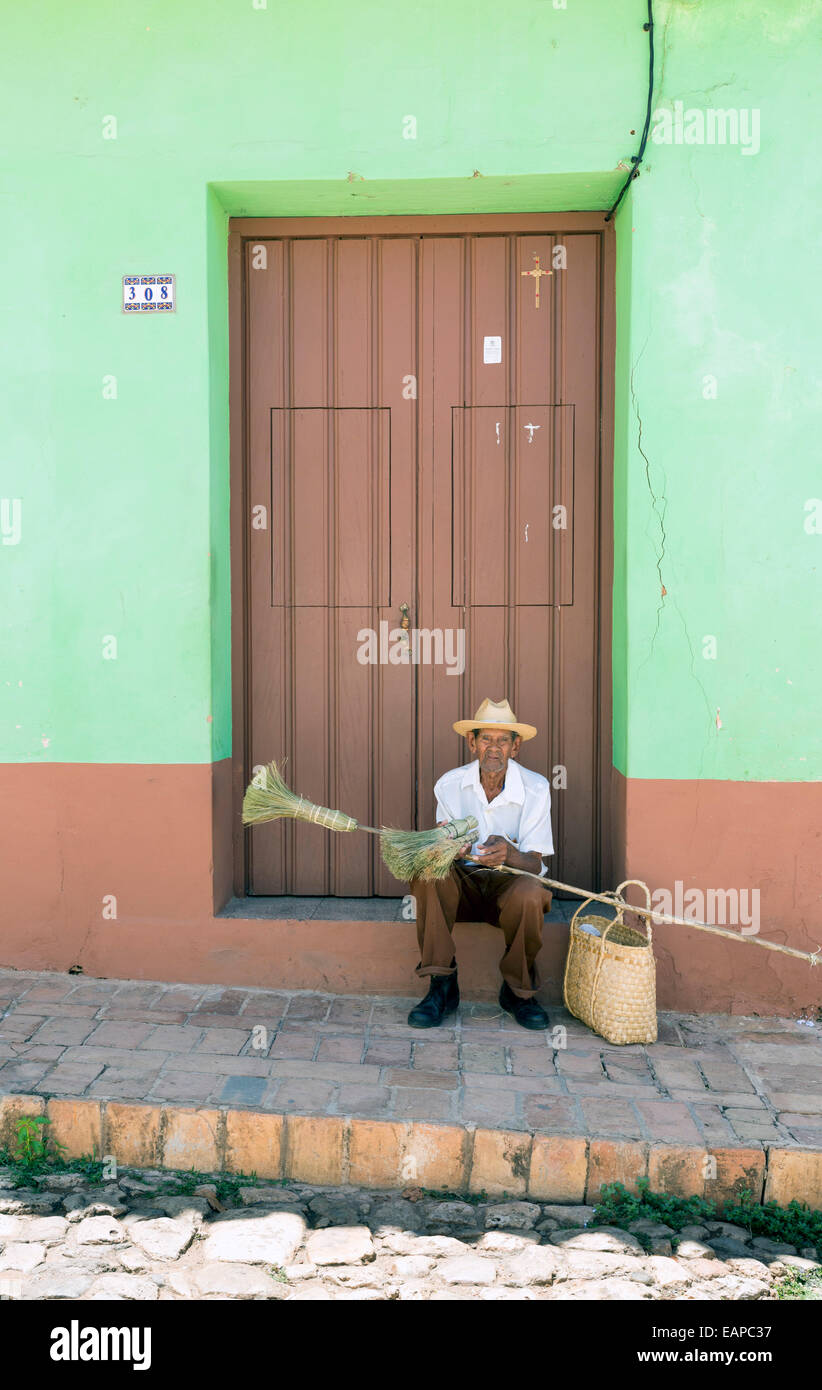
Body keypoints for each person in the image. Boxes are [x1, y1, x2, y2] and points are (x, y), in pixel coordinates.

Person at [407, 698, 554, 1031]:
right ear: (472, 742)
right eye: (486, 739)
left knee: (532, 893)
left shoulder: (536, 787)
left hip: (509, 888)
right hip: (464, 888)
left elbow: (534, 865)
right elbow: (441, 847)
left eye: (503, 740)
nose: (494, 748)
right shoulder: (449, 785)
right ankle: (441, 986)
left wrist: (509, 854)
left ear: (515, 747)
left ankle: (518, 992)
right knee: (429, 874)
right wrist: (449, 848)